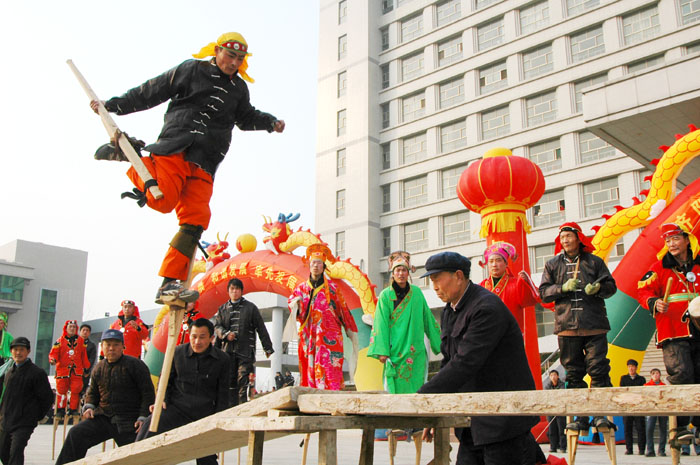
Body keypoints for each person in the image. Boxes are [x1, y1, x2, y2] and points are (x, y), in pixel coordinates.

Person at [89, 32, 285, 304]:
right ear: (216, 51)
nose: (234, 62)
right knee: (162, 200)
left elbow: (246, 117)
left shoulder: (239, 89)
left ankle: (170, 283)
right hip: (177, 144)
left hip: (207, 159)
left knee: (196, 220)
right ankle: (133, 157)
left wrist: (270, 122)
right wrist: (113, 105)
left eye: (239, 59)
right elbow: (153, 89)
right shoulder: (192, 69)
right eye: (230, 55)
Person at [416, 251, 541, 465]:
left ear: (458, 276)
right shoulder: (450, 311)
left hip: (503, 422)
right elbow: (449, 360)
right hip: (473, 422)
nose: (434, 286)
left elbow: (464, 363)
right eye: (431, 280)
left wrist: (420, 398)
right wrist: (435, 409)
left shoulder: (486, 307)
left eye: (437, 279)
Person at [539, 222, 617, 432]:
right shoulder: (552, 264)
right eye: (562, 237)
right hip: (566, 326)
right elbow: (543, 292)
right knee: (573, 373)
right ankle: (580, 417)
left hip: (594, 325)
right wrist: (561, 288)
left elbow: (611, 287)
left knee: (599, 370)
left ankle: (600, 416)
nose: (565, 240)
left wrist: (599, 287)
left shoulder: (595, 262)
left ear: (578, 238)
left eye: (569, 236)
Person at [637, 222, 700, 445]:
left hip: (699, 329)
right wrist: (653, 301)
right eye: (667, 240)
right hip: (673, 330)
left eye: (675, 238)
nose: (671, 244)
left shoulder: (699, 265)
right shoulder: (659, 268)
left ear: (686, 239)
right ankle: (682, 427)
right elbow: (643, 290)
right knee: (682, 374)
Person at [136, 319, 229, 465]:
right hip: (177, 409)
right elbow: (165, 380)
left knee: (206, 454)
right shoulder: (177, 353)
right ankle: (135, 459)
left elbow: (223, 392)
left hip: (204, 415)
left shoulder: (222, 359)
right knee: (150, 424)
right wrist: (162, 400)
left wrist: (219, 418)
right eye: (194, 336)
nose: (197, 341)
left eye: (202, 337)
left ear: (212, 338)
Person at [55, 329, 154, 465]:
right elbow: (92, 393)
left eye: (116, 344)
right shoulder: (99, 367)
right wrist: (89, 406)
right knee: (76, 434)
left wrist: (143, 417)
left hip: (129, 421)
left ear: (122, 347)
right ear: (102, 347)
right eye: (108, 344)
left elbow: (148, 393)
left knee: (138, 457)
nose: (111, 348)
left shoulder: (136, 365)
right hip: (104, 417)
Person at [367, 251, 441, 394]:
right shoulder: (385, 296)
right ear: (393, 274)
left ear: (409, 273)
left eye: (404, 270)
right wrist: (382, 351)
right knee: (394, 388)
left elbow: (428, 319)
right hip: (395, 351)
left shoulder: (417, 293)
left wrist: (441, 343)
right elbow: (380, 324)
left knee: (417, 386)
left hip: (415, 350)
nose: (401, 274)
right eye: (398, 270)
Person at [287, 244, 359, 390]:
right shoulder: (300, 289)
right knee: (310, 370)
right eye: (313, 262)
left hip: (330, 339)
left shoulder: (333, 289)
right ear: (309, 265)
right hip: (310, 338)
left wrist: (351, 333)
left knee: (331, 370)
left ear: (324, 266)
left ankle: (333, 403)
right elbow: (293, 307)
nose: (316, 266)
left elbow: (344, 311)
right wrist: (296, 304)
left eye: (319, 263)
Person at [214, 278, 273, 406]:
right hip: (227, 351)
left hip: (245, 350)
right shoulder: (222, 309)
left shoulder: (251, 308)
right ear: (228, 291)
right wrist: (225, 335)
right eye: (232, 289)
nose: (234, 292)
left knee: (242, 379)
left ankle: (242, 407)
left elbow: (261, 327)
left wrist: (267, 347)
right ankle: (230, 408)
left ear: (241, 291)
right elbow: (217, 327)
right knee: (229, 380)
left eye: (237, 289)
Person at [0, 337, 53, 465]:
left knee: (16, 452)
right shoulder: (9, 372)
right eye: (15, 350)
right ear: (11, 351)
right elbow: (5, 397)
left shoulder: (37, 373)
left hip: (24, 423)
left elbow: (47, 398)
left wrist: (35, 416)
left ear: (28, 351)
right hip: (6, 421)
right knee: (3, 452)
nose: (18, 353)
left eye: (22, 350)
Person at [479, 242, 540, 333]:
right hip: (487, 335)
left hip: (511, 335)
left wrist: (527, 283)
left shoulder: (516, 284)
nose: (494, 264)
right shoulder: (481, 287)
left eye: (498, 260)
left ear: (506, 263)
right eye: (491, 261)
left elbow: (531, 300)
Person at [49, 320, 90, 419]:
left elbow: (83, 356)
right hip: (63, 370)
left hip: (77, 370)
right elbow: (53, 353)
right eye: (70, 327)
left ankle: (73, 409)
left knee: (76, 389)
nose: (72, 329)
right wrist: (52, 359)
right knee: (61, 390)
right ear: (66, 328)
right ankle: (61, 409)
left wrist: (86, 367)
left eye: (74, 327)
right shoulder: (60, 341)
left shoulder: (81, 341)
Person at [619, 359, 646, 455]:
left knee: (640, 428)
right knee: (627, 428)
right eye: (629, 366)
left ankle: (642, 449)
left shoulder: (641, 379)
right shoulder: (624, 378)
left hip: (638, 406)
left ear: (636, 368)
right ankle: (629, 448)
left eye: (632, 366)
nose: (631, 368)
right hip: (627, 407)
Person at [644, 368, 667, 457]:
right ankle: (650, 449)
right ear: (651, 376)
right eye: (654, 374)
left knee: (663, 429)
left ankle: (661, 450)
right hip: (652, 409)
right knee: (649, 429)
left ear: (660, 375)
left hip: (662, 409)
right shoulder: (647, 385)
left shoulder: (663, 386)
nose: (656, 375)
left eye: (657, 373)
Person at [545, 370, 566, 454]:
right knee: (552, 430)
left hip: (560, 410)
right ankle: (553, 447)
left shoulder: (562, 385)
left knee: (561, 429)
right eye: (551, 375)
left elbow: (561, 395)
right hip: (551, 410)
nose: (553, 377)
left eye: (554, 375)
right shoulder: (547, 386)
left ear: (557, 376)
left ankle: (563, 446)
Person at [79, 324, 97, 396]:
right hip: (73, 371)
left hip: (84, 372)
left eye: (87, 330)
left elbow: (92, 359)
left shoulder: (91, 345)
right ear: (80, 331)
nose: (85, 332)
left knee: (81, 391)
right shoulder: (74, 343)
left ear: (89, 333)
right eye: (83, 330)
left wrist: (87, 370)